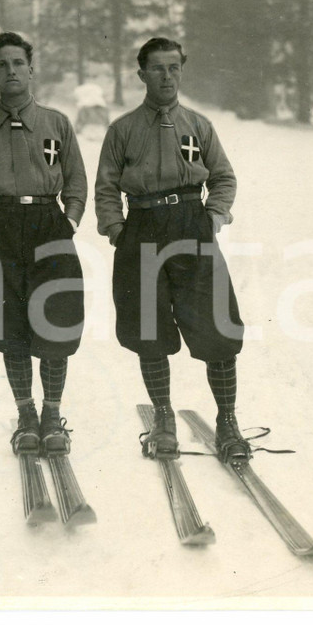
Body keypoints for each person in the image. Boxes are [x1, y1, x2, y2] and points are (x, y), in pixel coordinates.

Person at [94, 37, 247, 462]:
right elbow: (106, 188)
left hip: (191, 225)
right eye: (158, 69)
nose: (167, 76)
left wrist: (213, 217)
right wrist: (117, 230)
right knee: (149, 329)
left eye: (174, 68)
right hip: (141, 228)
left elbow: (223, 178)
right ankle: (163, 420)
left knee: (217, 327)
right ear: (142, 74)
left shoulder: (199, 125)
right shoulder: (121, 130)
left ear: (182, 70)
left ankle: (228, 422)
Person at [0, 32, 87, 456]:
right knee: (8, 324)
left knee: (56, 318)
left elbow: (78, 180)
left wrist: (68, 219)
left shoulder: (56, 123)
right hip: (2, 226)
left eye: (18, 63)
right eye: (2, 65)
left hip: (50, 222)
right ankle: (26, 414)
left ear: (31, 69)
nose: (11, 71)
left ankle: (52, 415)